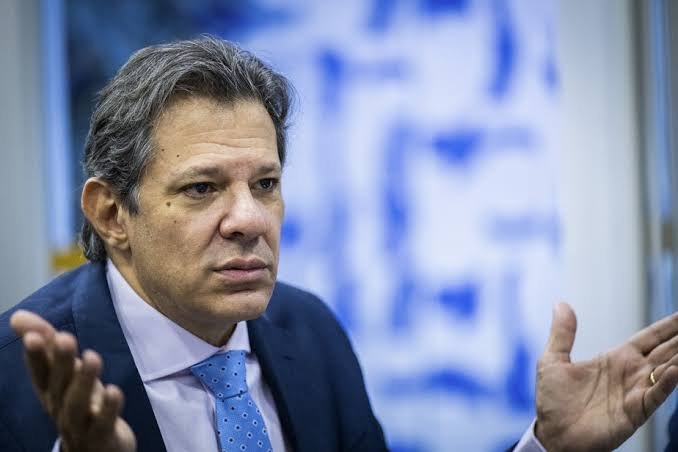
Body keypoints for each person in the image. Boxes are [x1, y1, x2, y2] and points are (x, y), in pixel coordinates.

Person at [0, 36, 676, 452]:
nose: (249, 220)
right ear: (112, 213)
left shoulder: (308, 330)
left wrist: (548, 447)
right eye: (203, 188)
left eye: (265, 184)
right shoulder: (13, 377)